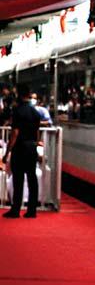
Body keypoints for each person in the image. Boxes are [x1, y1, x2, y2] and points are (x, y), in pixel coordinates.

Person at [2, 86, 43, 218]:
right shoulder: (36, 113)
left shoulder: (17, 111)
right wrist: (36, 145)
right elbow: (37, 133)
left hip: (20, 147)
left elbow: (15, 133)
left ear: (19, 95)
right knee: (32, 178)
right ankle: (32, 210)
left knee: (18, 179)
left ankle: (16, 209)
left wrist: (8, 151)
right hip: (32, 147)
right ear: (29, 94)